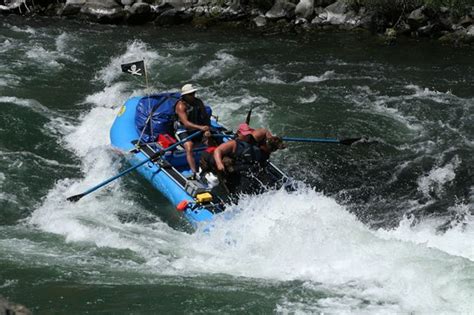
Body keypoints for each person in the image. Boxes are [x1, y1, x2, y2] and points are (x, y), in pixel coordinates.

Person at [175, 83, 211, 178]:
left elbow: (205, 117)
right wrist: (201, 128)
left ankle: (211, 165)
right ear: (185, 96)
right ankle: (194, 172)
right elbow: (186, 123)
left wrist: (207, 129)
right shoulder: (181, 106)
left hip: (197, 128)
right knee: (189, 146)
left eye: (193, 93)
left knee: (210, 142)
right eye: (190, 94)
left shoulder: (198, 102)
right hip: (183, 130)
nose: (193, 96)